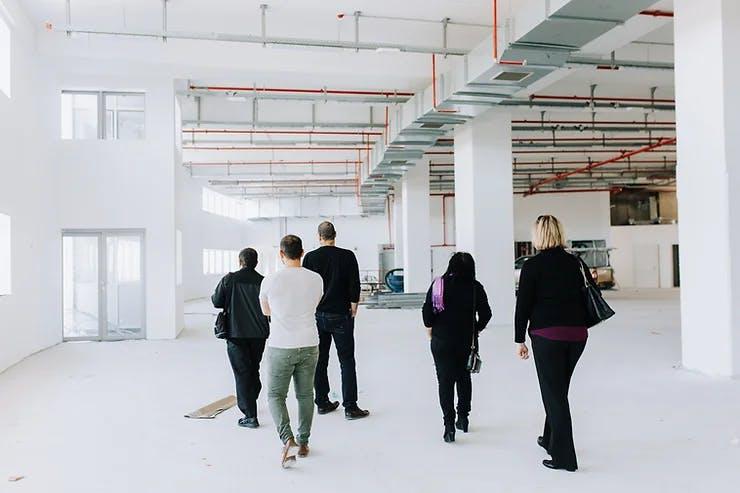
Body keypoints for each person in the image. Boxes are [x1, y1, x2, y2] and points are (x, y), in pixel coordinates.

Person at [514, 215, 597, 472]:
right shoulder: (576, 263)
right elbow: (593, 292)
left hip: (547, 336)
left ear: (538, 235)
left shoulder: (533, 266)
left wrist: (519, 339)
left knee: (554, 395)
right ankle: (550, 439)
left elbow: (523, 305)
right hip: (577, 335)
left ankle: (564, 458)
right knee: (558, 391)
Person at [260, 235, 324, 468]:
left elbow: (266, 311)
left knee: (276, 395)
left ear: (281, 254)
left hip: (280, 344)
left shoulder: (270, 280)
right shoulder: (316, 279)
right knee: (306, 395)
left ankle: (288, 439)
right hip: (309, 342)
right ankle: (304, 442)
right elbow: (315, 304)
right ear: (302, 252)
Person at [422, 252, 492, 443]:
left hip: (441, 341)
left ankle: (449, 426)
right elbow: (486, 314)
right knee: (463, 378)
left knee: (444, 381)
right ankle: (463, 418)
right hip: (466, 342)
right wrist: (475, 329)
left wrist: (434, 327)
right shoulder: (475, 287)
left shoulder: (439, 285)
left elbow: (427, 315)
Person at [303, 221, 369, 420]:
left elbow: (305, 286)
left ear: (318, 236)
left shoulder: (310, 258)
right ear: (335, 235)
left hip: (318, 314)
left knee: (320, 359)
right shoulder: (347, 255)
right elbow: (354, 282)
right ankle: (350, 407)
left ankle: (322, 402)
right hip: (342, 314)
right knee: (346, 360)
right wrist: (354, 305)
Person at [211, 248, 270, 429]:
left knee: (242, 372)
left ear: (240, 261)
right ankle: (252, 395)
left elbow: (216, 301)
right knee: (253, 368)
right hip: (259, 333)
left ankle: (250, 415)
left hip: (236, 333)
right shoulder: (263, 281)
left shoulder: (230, 279)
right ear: (256, 262)